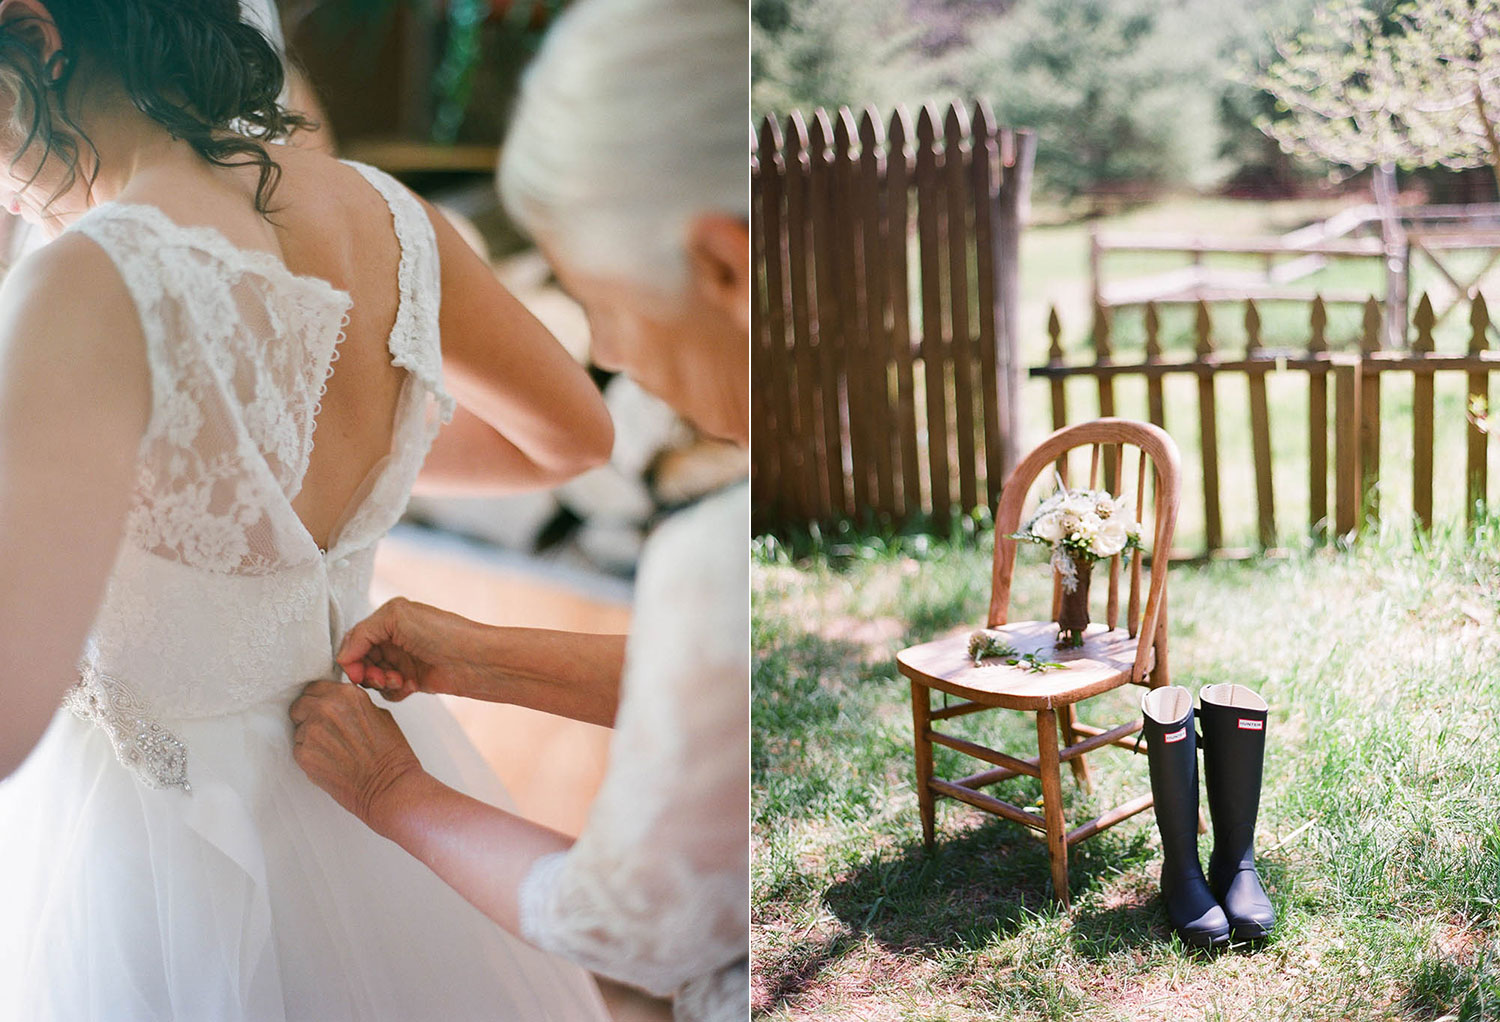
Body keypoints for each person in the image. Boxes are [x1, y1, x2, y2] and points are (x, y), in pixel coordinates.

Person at [0, 1, 617, 1018]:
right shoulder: (387, 213)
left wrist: (236, 483)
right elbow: (573, 437)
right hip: (361, 781)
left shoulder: (83, 276)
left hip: (148, 849)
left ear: (34, 31)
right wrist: (316, 467)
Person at [289, 0, 750, 1019]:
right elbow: (729, 686)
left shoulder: (717, 554)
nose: (613, 354)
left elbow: (639, 926)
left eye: (603, 303)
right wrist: (484, 656)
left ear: (726, 265)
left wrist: (394, 794)